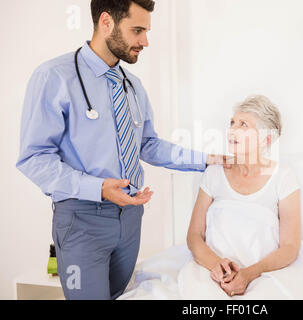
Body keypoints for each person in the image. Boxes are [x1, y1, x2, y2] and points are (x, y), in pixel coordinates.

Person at [16, 0, 227, 300]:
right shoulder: (55, 77)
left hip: (129, 220)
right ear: (106, 22)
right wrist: (99, 188)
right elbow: (34, 159)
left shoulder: (133, 85)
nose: (145, 41)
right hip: (82, 220)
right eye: (137, 30)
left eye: (147, 31)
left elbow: (148, 145)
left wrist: (206, 160)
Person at [185, 95, 302, 298]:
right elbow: (194, 236)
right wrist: (216, 266)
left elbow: (290, 247)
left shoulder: (283, 176)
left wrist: (249, 273)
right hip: (210, 272)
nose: (232, 130)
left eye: (243, 125)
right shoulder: (214, 172)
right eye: (232, 123)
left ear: (265, 139)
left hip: (263, 275)